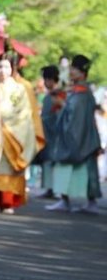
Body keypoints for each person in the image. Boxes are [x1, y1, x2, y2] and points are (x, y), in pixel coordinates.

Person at [0, 54, 40, 213]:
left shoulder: (19, 88)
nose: (2, 70)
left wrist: (5, 120)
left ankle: (8, 201)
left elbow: (24, 112)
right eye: (0, 67)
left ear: (12, 69)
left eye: (6, 67)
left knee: (9, 167)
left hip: (12, 132)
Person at [45, 55, 101, 214]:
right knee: (79, 170)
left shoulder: (82, 92)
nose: (70, 71)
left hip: (81, 137)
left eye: (74, 69)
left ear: (82, 73)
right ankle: (68, 199)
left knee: (86, 171)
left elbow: (73, 113)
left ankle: (85, 201)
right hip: (85, 137)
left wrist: (61, 103)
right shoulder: (78, 90)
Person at [36, 65, 66, 198]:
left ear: (51, 79)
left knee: (52, 161)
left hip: (55, 132)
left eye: (46, 79)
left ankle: (53, 188)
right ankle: (49, 188)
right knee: (47, 161)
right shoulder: (52, 95)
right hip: (47, 132)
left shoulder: (59, 95)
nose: (45, 83)